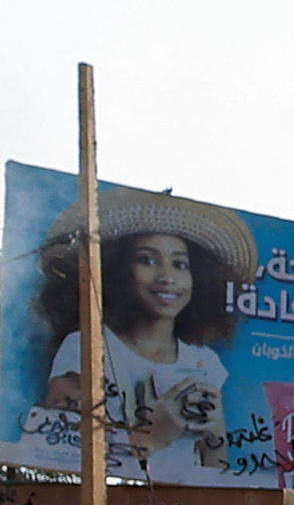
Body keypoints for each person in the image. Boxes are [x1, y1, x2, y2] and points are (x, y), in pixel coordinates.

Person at [18, 194, 250, 482]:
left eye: (180, 265)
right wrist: (151, 438)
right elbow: (53, 451)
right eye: (147, 260)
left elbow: (216, 466)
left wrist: (213, 432)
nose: (166, 277)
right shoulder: (86, 347)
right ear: (118, 270)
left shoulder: (203, 361)